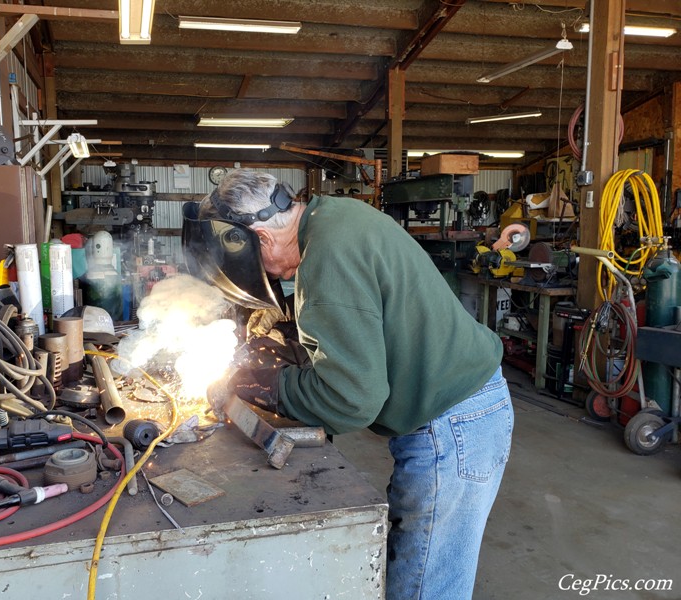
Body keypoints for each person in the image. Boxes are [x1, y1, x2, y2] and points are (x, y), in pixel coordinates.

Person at [190, 169, 513, 600]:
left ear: (262, 240)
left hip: (451, 423)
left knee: (423, 588)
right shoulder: (333, 215)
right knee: (420, 571)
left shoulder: (326, 257)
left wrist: (276, 386)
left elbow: (353, 400)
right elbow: (365, 310)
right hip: (465, 405)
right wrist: (291, 324)